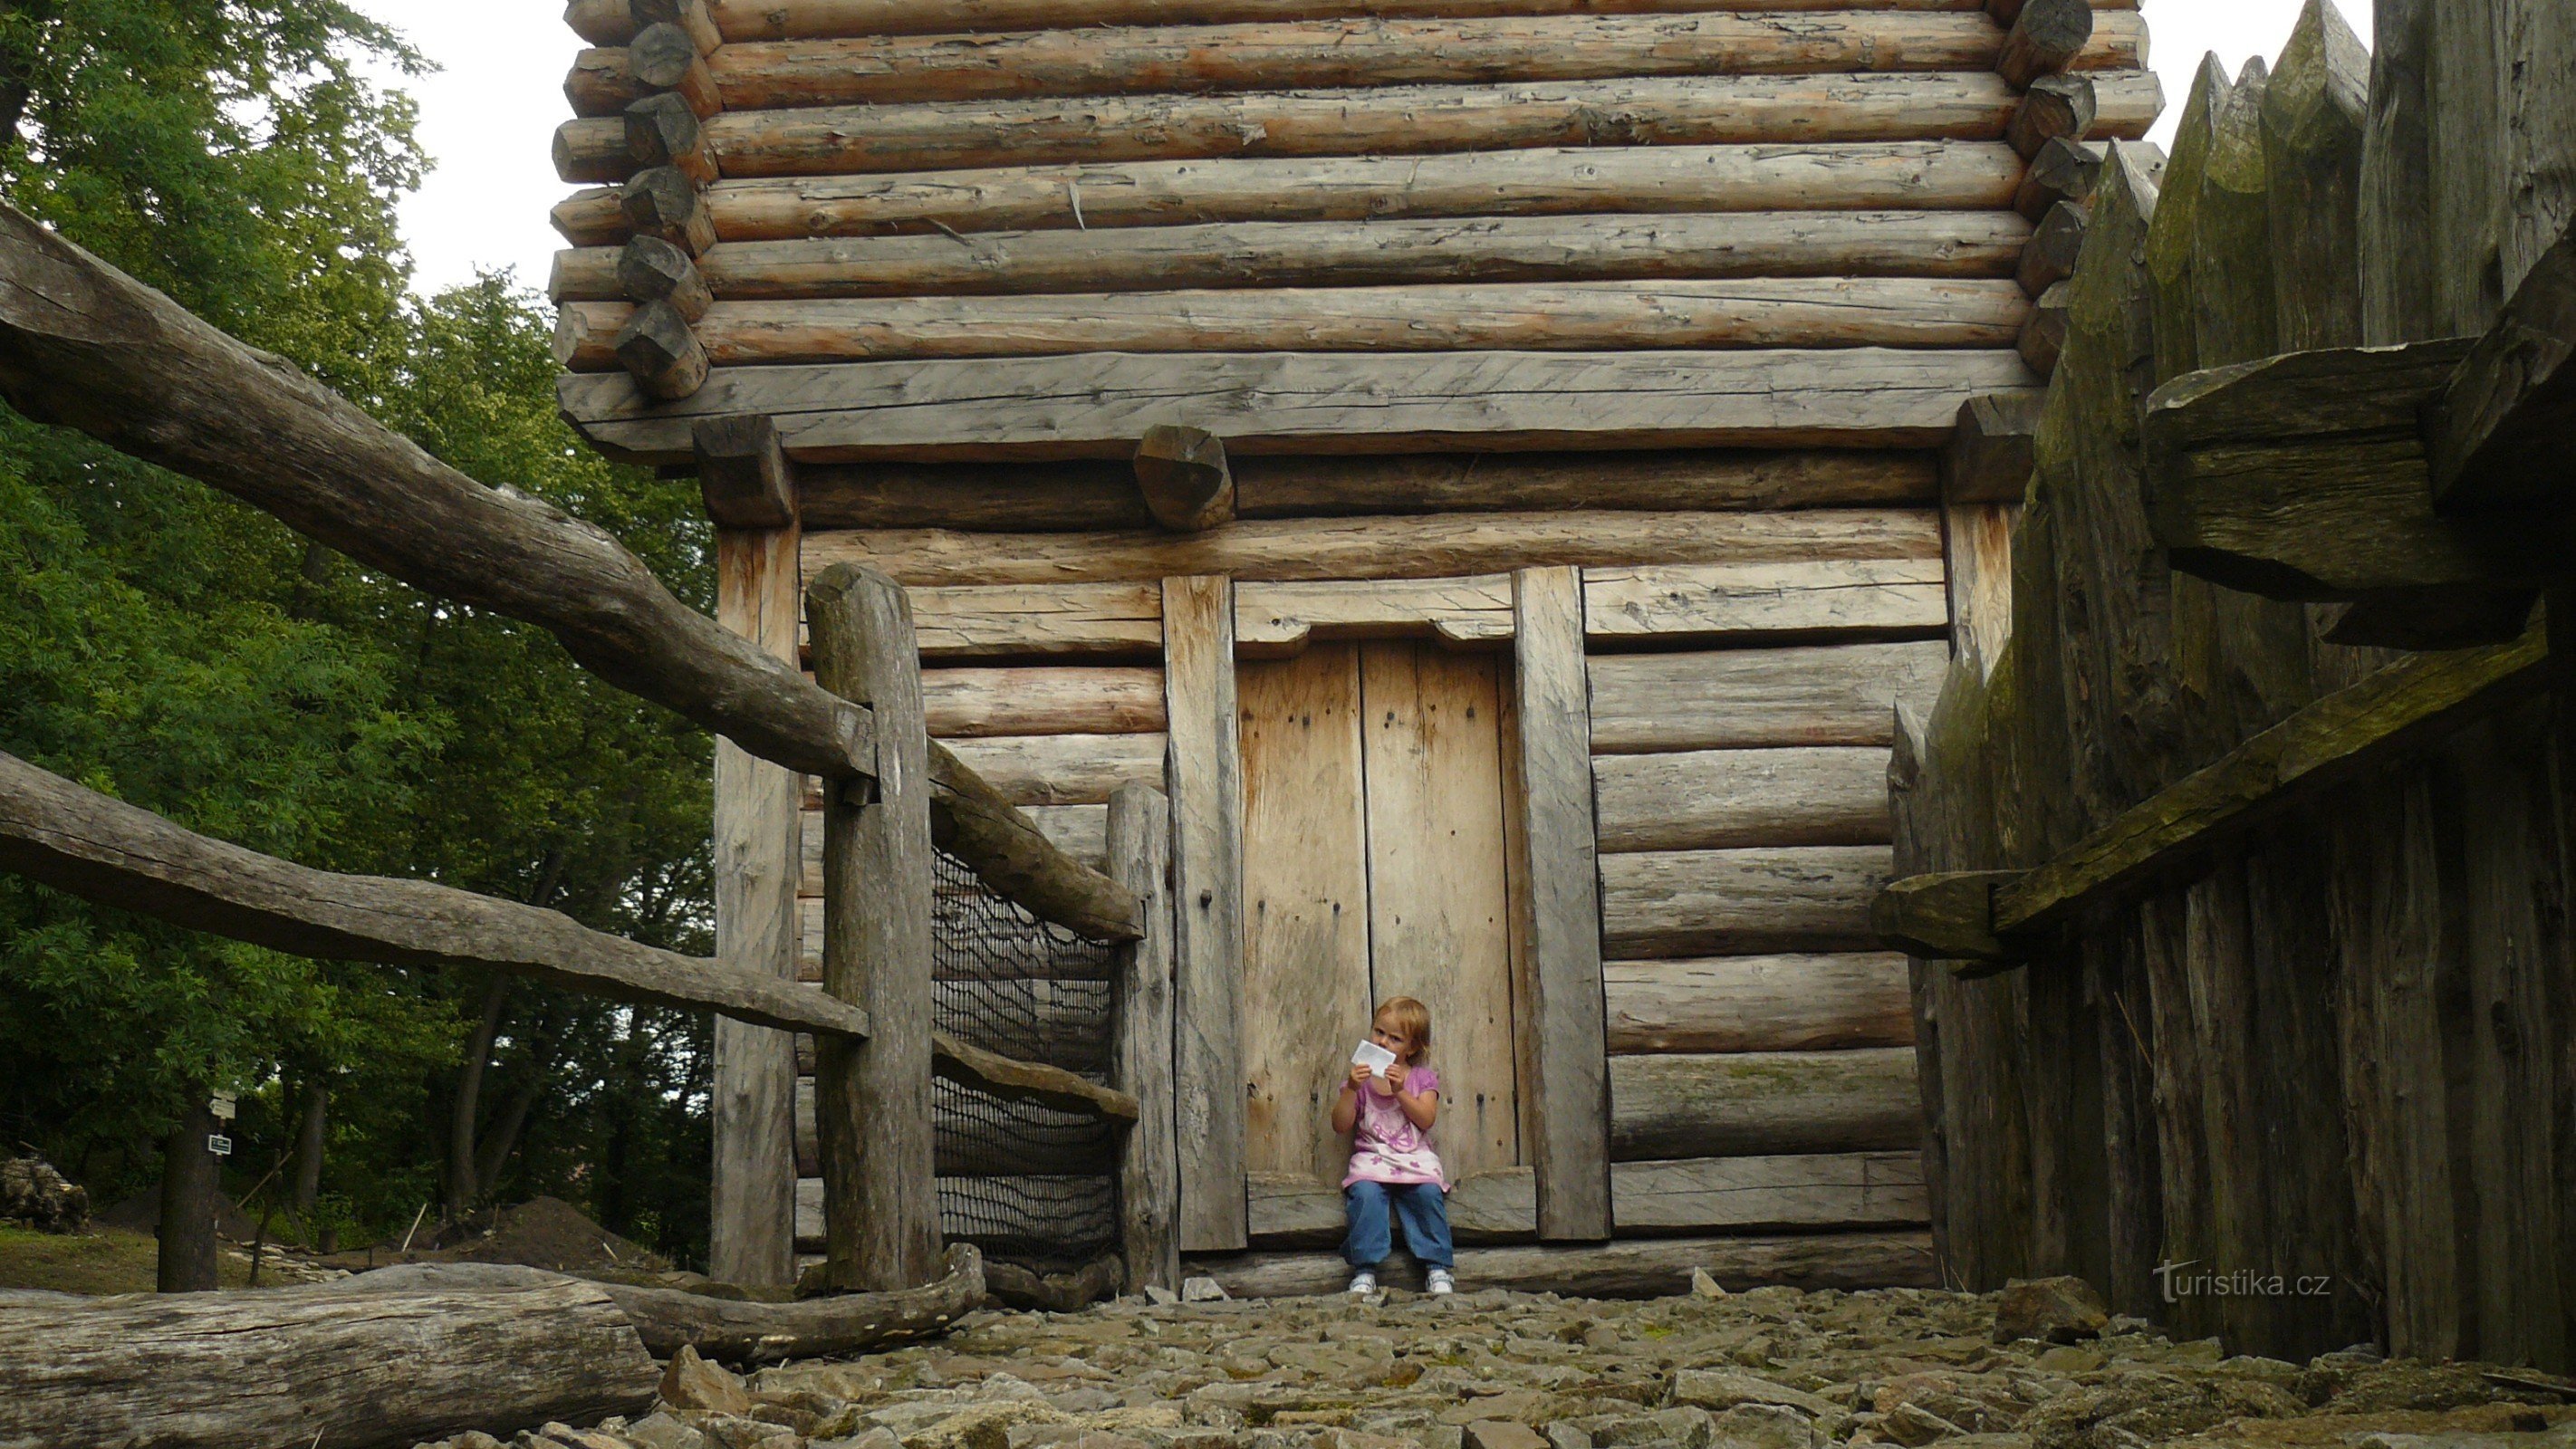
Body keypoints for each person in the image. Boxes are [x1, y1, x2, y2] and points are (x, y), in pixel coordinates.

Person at [1331, 995, 1454, 1295]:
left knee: (1427, 1195)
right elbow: (1340, 1124)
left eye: (1395, 1039)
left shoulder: (1422, 1078)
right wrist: (1351, 1089)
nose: (1384, 1043)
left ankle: (1437, 1267)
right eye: (1379, 1032)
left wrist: (1400, 1092)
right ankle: (1364, 1270)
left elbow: (1426, 1119)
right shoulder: (1361, 1081)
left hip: (1414, 1160)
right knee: (1365, 1196)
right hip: (1373, 1160)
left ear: (1411, 1048)